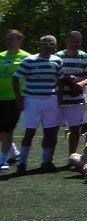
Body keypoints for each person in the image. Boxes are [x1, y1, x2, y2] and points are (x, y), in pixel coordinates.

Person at [12, 35, 64, 172]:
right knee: (30, 132)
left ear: (55, 46)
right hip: (32, 100)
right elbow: (16, 78)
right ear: (40, 45)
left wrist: (60, 97)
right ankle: (22, 162)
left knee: (49, 132)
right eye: (45, 44)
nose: (48, 47)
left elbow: (60, 80)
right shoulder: (29, 60)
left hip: (51, 100)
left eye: (51, 45)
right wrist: (19, 98)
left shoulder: (57, 60)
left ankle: (46, 162)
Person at [55, 30, 87, 157]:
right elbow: (54, 76)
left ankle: (71, 156)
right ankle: (48, 159)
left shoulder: (85, 57)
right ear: (66, 41)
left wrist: (81, 84)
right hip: (59, 99)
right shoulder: (57, 56)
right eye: (72, 41)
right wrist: (66, 79)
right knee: (53, 129)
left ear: (80, 42)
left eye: (77, 42)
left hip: (77, 99)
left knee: (75, 129)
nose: (74, 44)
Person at [0, 30, 30, 170]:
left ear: (19, 40)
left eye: (12, 39)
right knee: (2, 130)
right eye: (7, 39)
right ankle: (13, 152)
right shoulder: (1, 56)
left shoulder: (26, 57)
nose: (8, 41)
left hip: (14, 99)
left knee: (7, 130)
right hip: (0, 97)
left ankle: (2, 161)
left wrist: (23, 98)